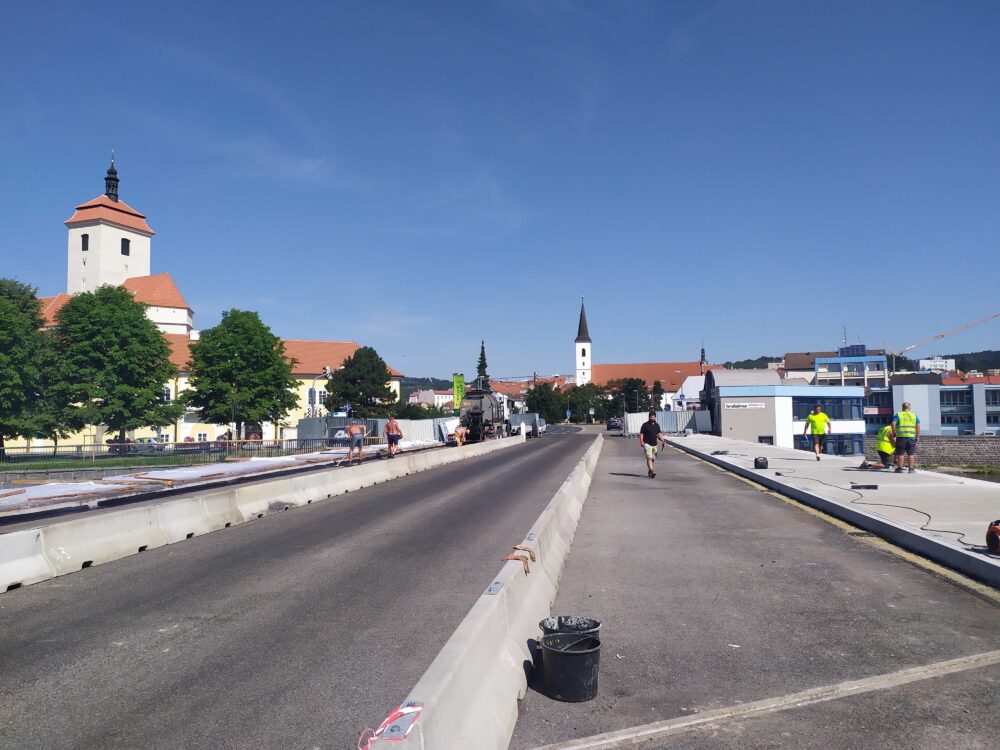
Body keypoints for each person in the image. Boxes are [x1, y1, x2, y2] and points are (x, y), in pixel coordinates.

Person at [890, 402, 920, 473]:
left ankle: (900, 468)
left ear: (902, 407)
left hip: (901, 437)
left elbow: (893, 423)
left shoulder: (899, 414)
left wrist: (894, 432)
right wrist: (917, 436)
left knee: (900, 453)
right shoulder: (914, 415)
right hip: (911, 437)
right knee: (911, 454)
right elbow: (918, 426)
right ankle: (911, 469)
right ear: (909, 408)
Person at [639, 411, 666, 479]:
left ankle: (650, 470)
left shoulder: (657, 425)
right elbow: (641, 434)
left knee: (653, 459)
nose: (652, 418)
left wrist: (663, 440)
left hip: (654, 445)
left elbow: (659, 434)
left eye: (653, 417)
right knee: (649, 458)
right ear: (649, 417)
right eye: (650, 417)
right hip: (647, 444)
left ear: (655, 417)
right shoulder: (645, 425)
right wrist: (641, 441)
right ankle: (652, 471)